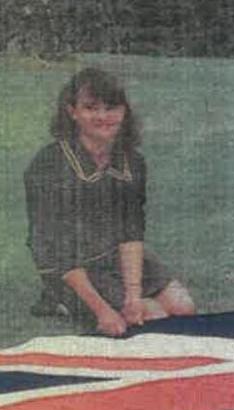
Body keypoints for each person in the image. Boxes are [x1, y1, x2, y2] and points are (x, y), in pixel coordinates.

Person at [24, 67, 195, 337]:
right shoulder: (50, 165)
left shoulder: (132, 160)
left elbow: (131, 231)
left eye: (112, 107)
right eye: (91, 108)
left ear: (124, 111)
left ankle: (98, 299)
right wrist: (103, 310)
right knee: (153, 317)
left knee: (182, 307)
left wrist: (133, 296)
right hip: (68, 266)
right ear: (72, 111)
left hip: (112, 255)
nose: (103, 117)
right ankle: (57, 297)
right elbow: (60, 252)